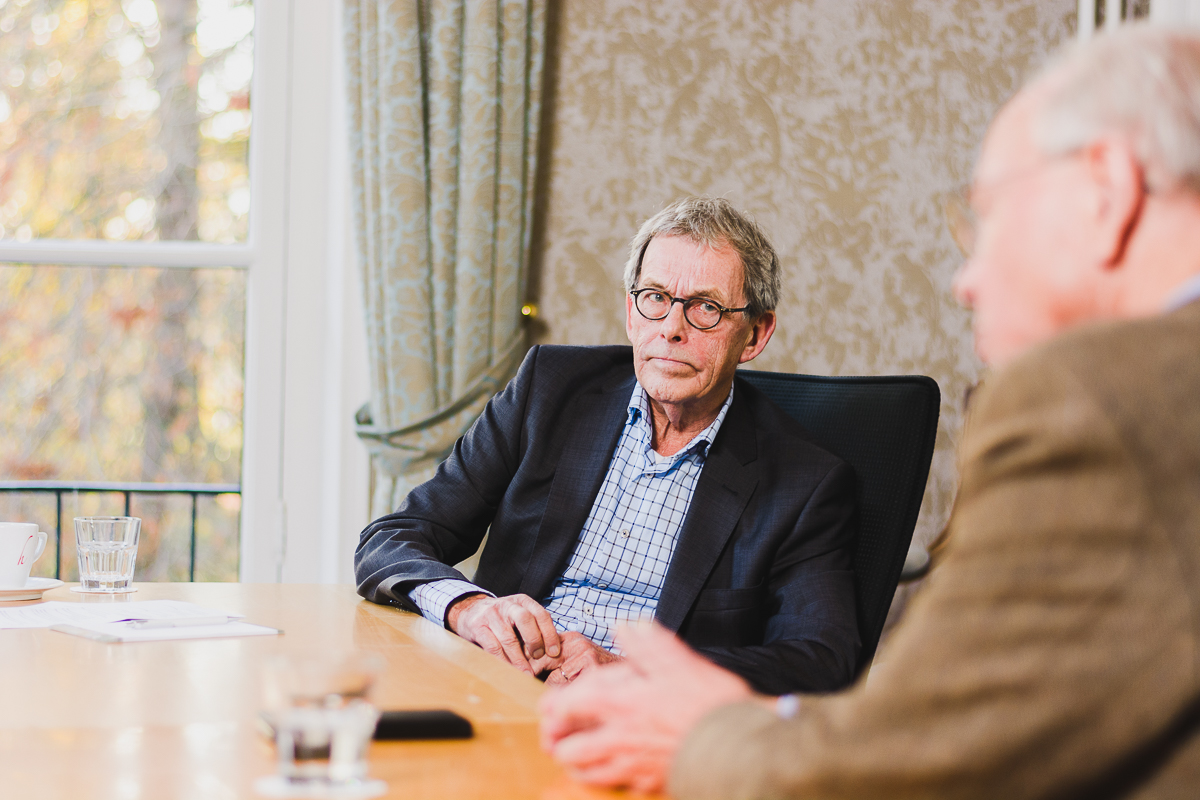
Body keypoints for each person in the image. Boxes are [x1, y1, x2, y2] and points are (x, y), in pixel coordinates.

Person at [539, 25, 1200, 799]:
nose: (968, 280)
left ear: (1108, 190)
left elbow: (922, 755)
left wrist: (702, 732)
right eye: (655, 300)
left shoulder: (1094, 395)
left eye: (984, 221)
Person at [355, 196, 861, 695]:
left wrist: (632, 670)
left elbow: (820, 658)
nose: (671, 329)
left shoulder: (803, 482)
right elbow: (394, 538)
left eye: (706, 308)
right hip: (500, 687)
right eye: (656, 298)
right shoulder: (548, 390)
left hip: (637, 718)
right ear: (631, 312)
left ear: (754, 335)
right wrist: (470, 609)